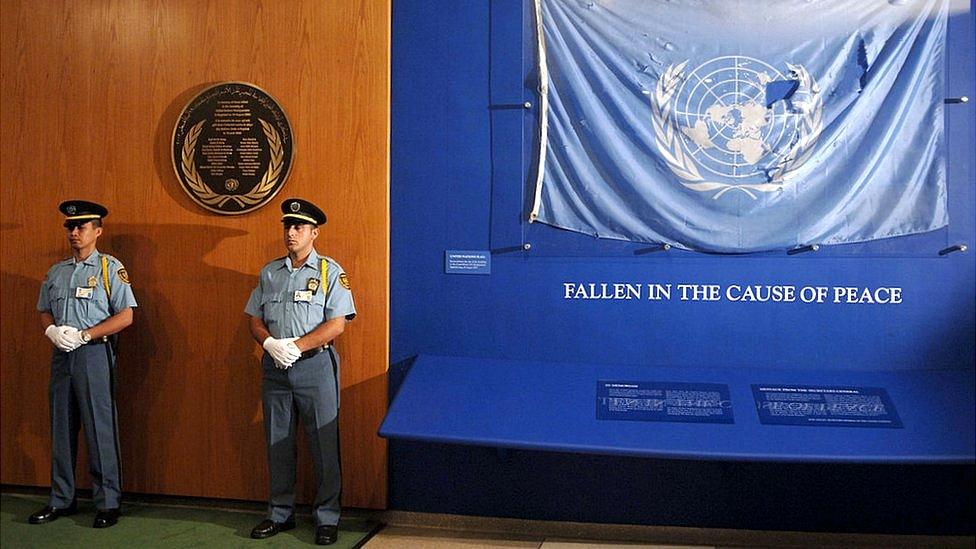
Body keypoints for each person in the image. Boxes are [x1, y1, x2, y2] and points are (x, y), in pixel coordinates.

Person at [245, 198, 356, 546]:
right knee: (278, 442)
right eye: (287, 227)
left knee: (323, 444)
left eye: (298, 227)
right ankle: (280, 513)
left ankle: (327, 517)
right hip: (275, 367)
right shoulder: (270, 272)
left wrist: (298, 346)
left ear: (314, 233)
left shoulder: (329, 272)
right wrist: (268, 344)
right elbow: (255, 317)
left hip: (315, 366)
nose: (290, 233)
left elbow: (337, 323)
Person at [30, 200, 137, 529]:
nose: (74, 232)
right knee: (61, 426)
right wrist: (51, 329)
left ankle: (108, 502)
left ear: (98, 231)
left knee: (99, 427)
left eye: (81, 227)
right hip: (62, 355)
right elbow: (44, 308)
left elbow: (126, 316)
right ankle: (61, 498)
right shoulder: (57, 271)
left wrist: (86, 335)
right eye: (70, 227)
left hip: (93, 354)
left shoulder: (108, 268)